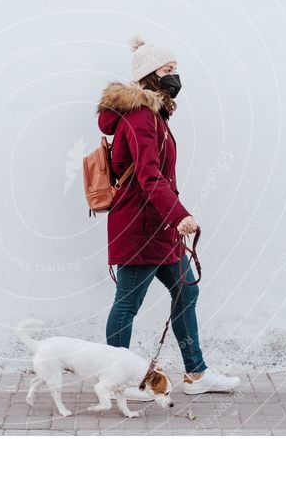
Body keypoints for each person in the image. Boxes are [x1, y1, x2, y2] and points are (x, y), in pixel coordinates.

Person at [95, 36, 241, 400]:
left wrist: (173, 218)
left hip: (158, 226)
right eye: (168, 70)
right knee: (127, 303)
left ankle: (196, 372)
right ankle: (120, 380)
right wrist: (181, 215)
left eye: (175, 69)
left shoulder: (154, 114)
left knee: (185, 292)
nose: (175, 76)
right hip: (141, 226)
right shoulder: (142, 116)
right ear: (149, 76)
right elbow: (148, 176)